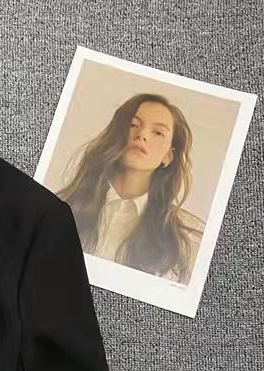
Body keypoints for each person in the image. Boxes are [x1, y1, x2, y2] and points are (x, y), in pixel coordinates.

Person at [57, 92, 205, 284]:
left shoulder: (186, 239)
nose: (142, 135)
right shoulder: (66, 206)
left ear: (168, 156)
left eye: (158, 132)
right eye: (133, 125)